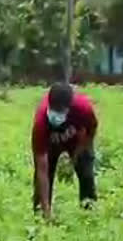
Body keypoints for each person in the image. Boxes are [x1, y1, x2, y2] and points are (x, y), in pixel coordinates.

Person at [32, 82, 98, 219]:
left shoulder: (83, 108)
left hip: (76, 141)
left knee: (86, 171)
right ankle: (41, 215)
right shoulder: (41, 121)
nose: (56, 114)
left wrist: (75, 156)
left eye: (60, 110)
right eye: (53, 109)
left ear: (69, 107)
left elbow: (90, 134)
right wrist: (47, 212)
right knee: (42, 181)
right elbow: (41, 169)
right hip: (50, 144)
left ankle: (89, 213)